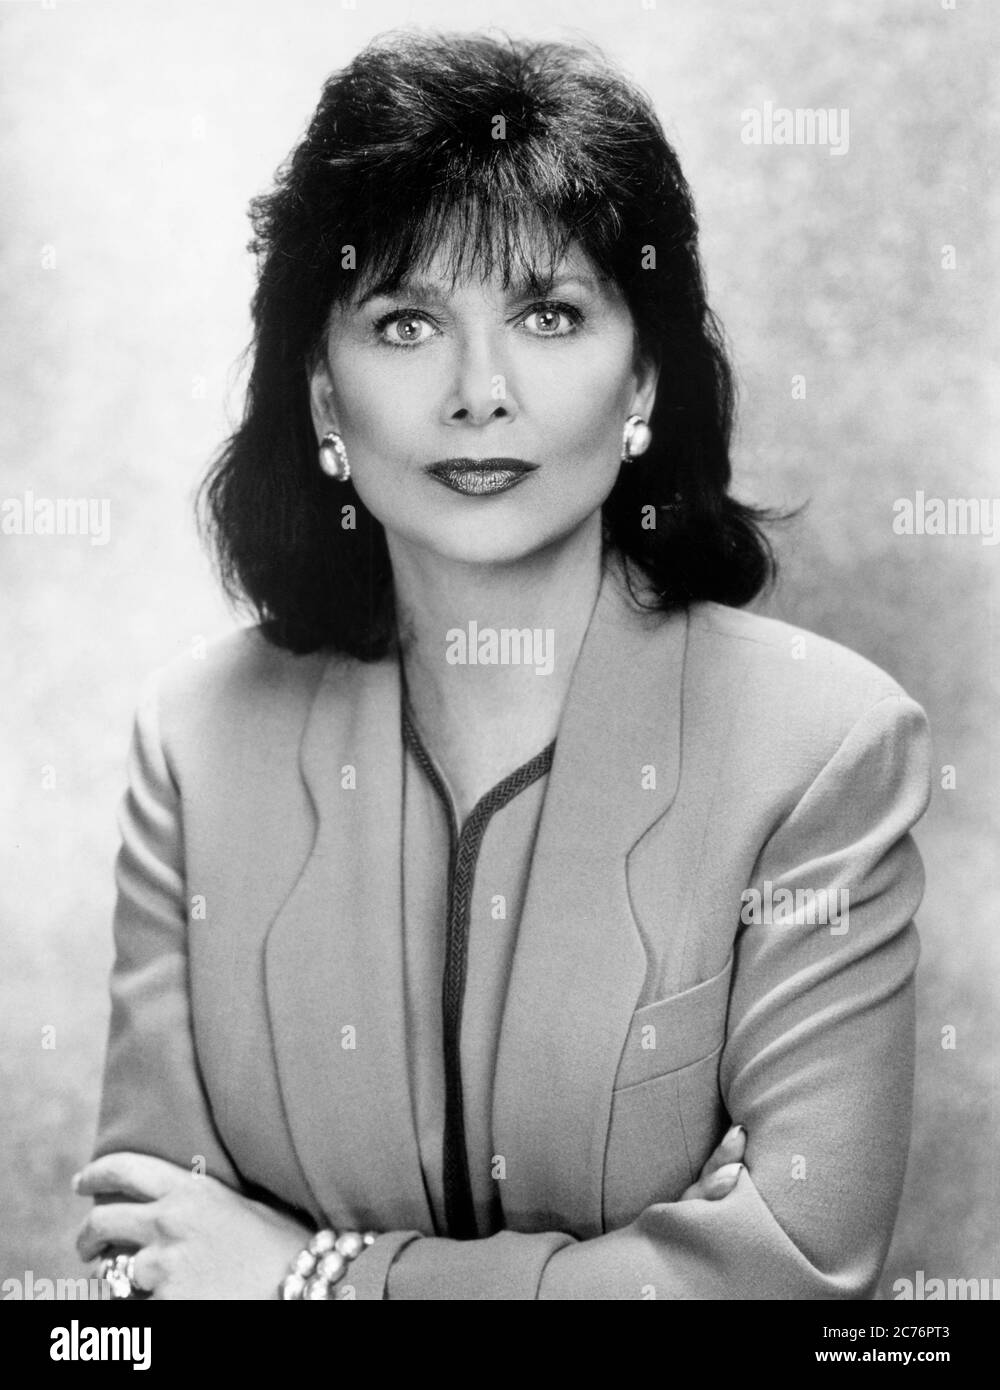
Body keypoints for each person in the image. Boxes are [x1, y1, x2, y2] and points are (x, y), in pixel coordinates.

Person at [73, 30, 932, 1300]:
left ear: (641, 376)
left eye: (547, 313)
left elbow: (789, 1281)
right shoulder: (194, 742)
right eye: (408, 320)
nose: (481, 392)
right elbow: (138, 1287)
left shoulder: (826, 747)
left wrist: (312, 1277)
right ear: (320, 390)